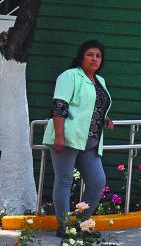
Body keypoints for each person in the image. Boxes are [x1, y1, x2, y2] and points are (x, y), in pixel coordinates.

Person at [42, 40, 113, 236]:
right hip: (67, 138)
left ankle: (82, 224)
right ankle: (64, 226)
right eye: (90, 54)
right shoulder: (70, 76)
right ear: (81, 56)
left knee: (97, 181)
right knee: (64, 181)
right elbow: (59, 106)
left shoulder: (100, 81)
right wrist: (59, 136)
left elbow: (91, 106)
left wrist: (105, 118)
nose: (94, 59)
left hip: (90, 141)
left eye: (98, 56)